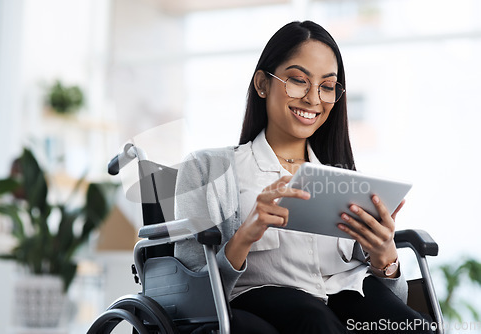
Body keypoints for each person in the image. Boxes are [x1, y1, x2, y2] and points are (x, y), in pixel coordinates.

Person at [174, 21, 433, 333]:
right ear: (262, 84)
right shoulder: (208, 169)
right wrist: (245, 235)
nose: (313, 99)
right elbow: (188, 294)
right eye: (298, 81)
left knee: (412, 327)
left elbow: (394, 299)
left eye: (326, 86)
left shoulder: (346, 180)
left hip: (346, 295)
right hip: (259, 302)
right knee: (314, 319)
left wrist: (384, 259)